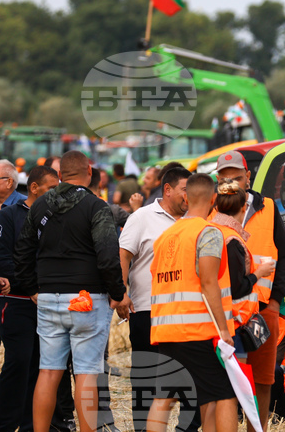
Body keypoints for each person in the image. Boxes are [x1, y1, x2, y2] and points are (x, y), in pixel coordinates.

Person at [13, 150, 126, 432]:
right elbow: (108, 255)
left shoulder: (39, 206)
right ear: (89, 172)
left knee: (48, 372)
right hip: (87, 299)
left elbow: (23, 250)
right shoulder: (96, 207)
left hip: (49, 296)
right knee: (87, 373)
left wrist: (31, 288)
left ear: (60, 175)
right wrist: (116, 291)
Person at [147, 173, 238, 432]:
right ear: (213, 199)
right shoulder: (208, 233)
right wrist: (223, 330)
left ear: (186, 197)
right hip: (198, 330)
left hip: (165, 330)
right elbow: (209, 283)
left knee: (164, 397)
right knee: (224, 395)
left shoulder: (166, 236)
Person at [213, 150, 285, 429]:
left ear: (248, 177)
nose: (231, 184)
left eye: (236, 178)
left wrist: (274, 301)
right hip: (227, 311)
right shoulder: (213, 211)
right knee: (228, 378)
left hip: (261, 308)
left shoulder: (268, 207)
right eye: (224, 179)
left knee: (263, 378)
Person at [118, 165, 193, 431]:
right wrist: (122, 293)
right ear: (168, 189)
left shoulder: (194, 219)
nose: (189, 196)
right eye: (185, 190)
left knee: (187, 378)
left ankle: (187, 428)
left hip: (186, 313)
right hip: (147, 310)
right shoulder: (142, 217)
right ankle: (142, 427)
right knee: (146, 377)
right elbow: (124, 254)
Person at [0, 165, 61, 432]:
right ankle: (4, 422)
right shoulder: (9, 216)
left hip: (48, 304)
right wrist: (30, 287)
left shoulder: (58, 218)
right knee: (19, 361)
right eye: (51, 189)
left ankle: (29, 425)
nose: (56, 194)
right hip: (17, 302)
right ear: (34, 188)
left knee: (40, 365)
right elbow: (3, 259)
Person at [211, 180, 275, 363]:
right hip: (234, 324)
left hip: (213, 322)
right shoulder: (232, 240)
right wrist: (259, 273)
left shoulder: (210, 231)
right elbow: (237, 287)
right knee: (237, 383)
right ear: (243, 208)